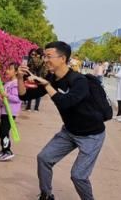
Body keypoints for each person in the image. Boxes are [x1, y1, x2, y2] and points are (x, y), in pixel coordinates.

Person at [18, 41, 106, 200]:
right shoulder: (52, 78)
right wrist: (20, 77)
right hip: (69, 131)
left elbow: (66, 102)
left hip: (91, 135)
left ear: (63, 58)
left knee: (78, 176)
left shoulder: (79, 81)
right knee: (44, 158)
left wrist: (46, 85)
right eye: (44, 56)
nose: (45, 60)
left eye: (49, 56)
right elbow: (24, 96)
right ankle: (46, 195)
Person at [0, 62, 21, 161]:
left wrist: (6, 95)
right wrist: (0, 98)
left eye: (10, 69)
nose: (7, 71)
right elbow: (4, 96)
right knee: (2, 131)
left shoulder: (16, 84)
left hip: (10, 112)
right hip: (4, 110)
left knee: (4, 131)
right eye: (7, 68)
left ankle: (8, 151)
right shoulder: (8, 83)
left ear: (16, 72)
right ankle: (3, 149)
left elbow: (17, 98)